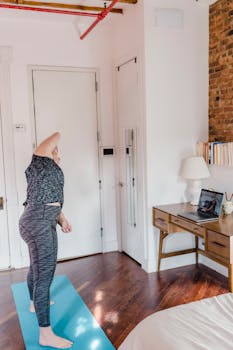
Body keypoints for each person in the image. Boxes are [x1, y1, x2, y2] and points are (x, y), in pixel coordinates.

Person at [19, 132, 73, 349]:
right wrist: (52, 150)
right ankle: (46, 334)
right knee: (45, 275)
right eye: (54, 151)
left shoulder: (47, 172)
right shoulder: (40, 160)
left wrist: (62, 219)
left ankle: (34, 303)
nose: (57, 153)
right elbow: (57, 135)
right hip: (39, 222)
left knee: (37, 267)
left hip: (39, 220)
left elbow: (50, 200)